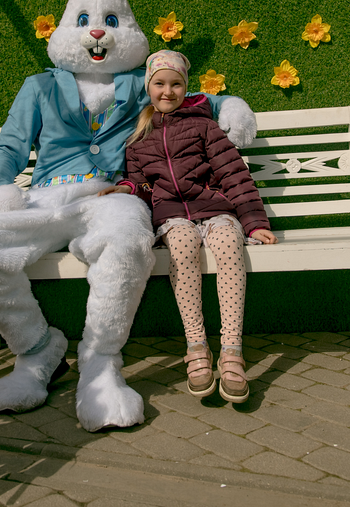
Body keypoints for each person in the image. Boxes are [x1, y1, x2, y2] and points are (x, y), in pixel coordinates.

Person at [0, 0, 258, 432]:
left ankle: (100, 364)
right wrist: (1, 189)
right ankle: (37, 351)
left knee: (129, 238)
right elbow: (11, 145)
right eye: (86, 19)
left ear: (125, 26)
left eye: (109, 19)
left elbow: (189, 98)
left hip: (113, 194)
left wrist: (229, 107)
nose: (97, 31)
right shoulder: (40, 87)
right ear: (70, 24)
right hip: (45, 198)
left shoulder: (137, 84)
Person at [100, 50, 277, 403]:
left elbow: (234, 175)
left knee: (229, 243)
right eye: (160, 83)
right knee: (181, 247)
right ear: (149, 88)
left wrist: (254, 224)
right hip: (172, 218)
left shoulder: (205, 126)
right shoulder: (139, 137)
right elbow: (143, 184)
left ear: (186, 87)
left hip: (215, 210)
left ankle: (232, 350)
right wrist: (128, 188)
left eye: (176, 84)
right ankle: (196, 347)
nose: (168, 91)